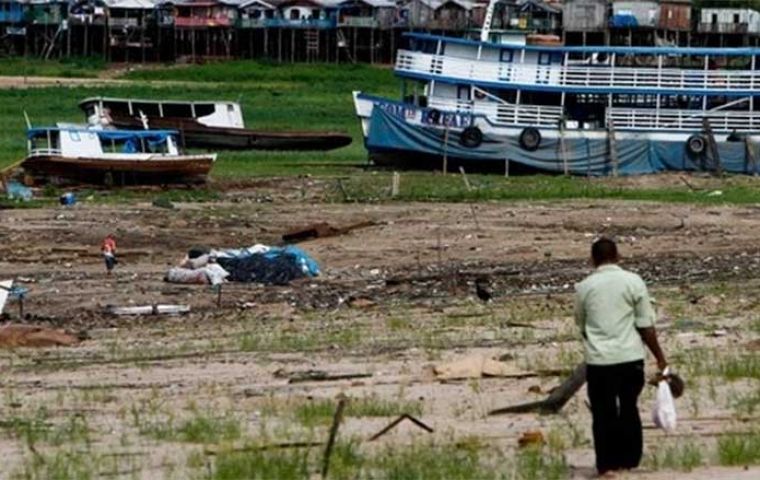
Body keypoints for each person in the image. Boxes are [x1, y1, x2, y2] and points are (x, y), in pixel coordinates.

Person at [574, 237, 668, 477]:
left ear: (593, 259)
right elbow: (645, 325)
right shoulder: (633, 282)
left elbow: (581, 324)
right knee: (629, 407)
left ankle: (606, 464)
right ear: (618, 256)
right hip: (630, 357)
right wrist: (659, 356)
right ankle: (630, 460)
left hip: (599, 360)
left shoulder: (584, 287)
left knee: (603, 412)